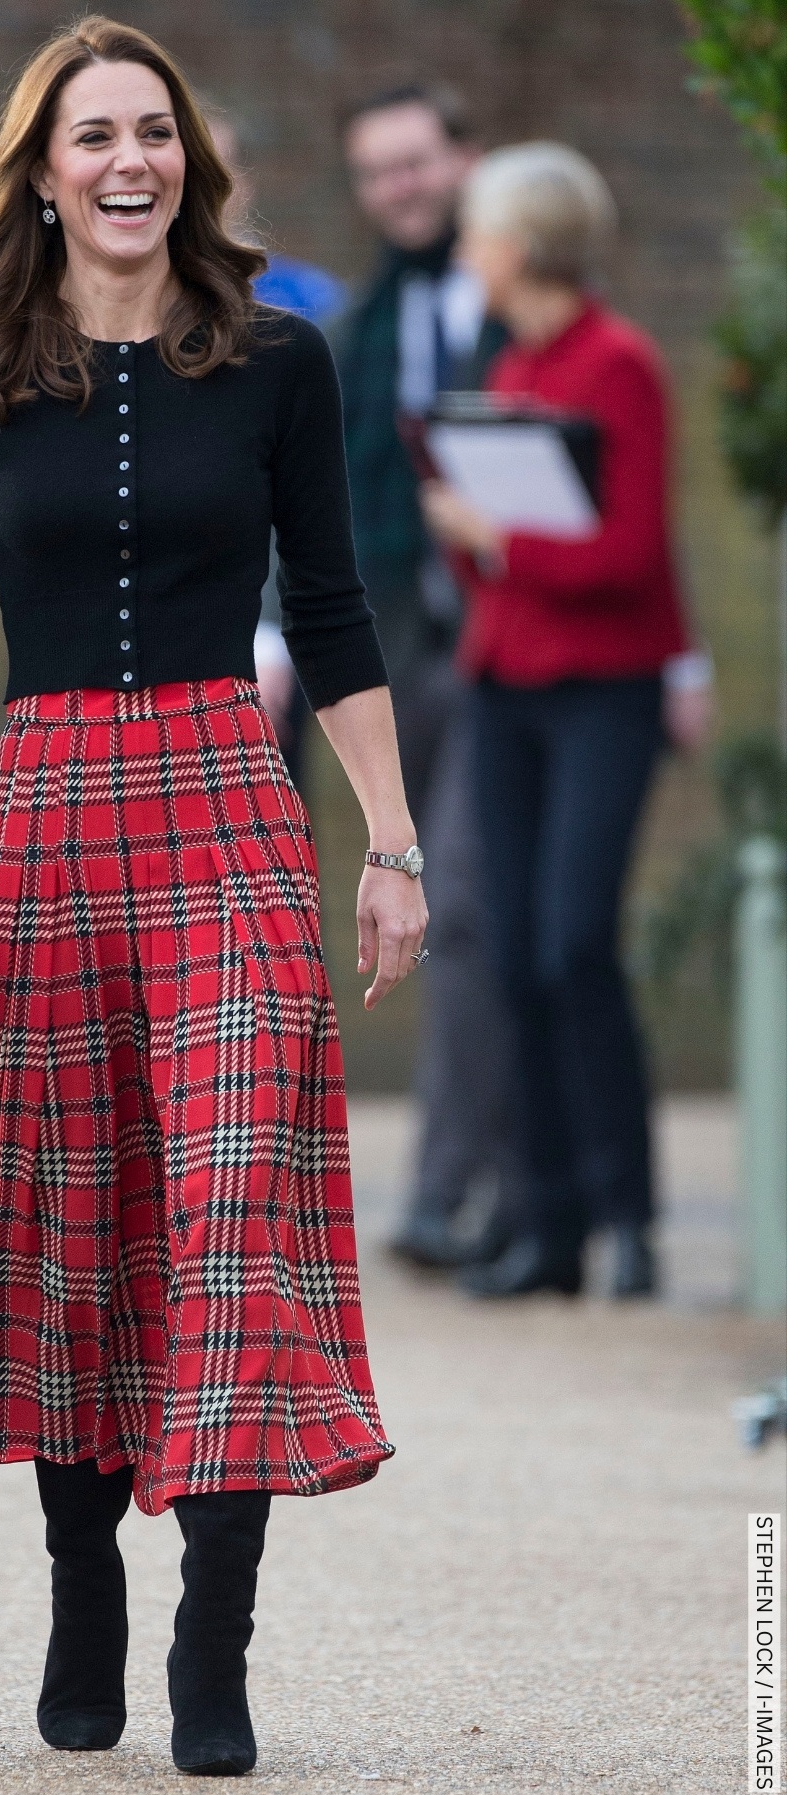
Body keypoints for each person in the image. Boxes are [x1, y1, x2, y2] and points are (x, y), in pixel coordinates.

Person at [0, 16, 426, 1777]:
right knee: (73, 1227)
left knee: (237, 1208)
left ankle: (215, 1642)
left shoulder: (279, 359)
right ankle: (82, 1589)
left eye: (155, 133)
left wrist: (394, 843)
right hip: (41, 821)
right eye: (94, 134)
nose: (129, 161)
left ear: (189, 161)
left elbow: (331, 610)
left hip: (229, 813)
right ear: (41, 170)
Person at [422, 142, 712, 1299]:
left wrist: (493, 534)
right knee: (510, 961)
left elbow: (629, 552)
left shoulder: (617, 365)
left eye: (477, 233)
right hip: (510, 686)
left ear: (521, 244)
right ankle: (543, 1223)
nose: (465, 255)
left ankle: (624, 1214)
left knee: (573, 947)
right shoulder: (519, 370)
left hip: (603, 690)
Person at [334, 80, 520, 1269]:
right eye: (378, 170)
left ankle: (466, 1188)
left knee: (484, 911)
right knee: (459, 909)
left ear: (468, 158)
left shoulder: (526, 304)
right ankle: (475, 1189)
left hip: (517, 652)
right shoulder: (363, 330)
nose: (403, 187)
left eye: (419, 162)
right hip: (406, 655)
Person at [207, 109, 348, 795]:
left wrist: (268, 632)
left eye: (223, 168)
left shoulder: (310, 310)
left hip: (269, 629)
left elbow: (308, 491)